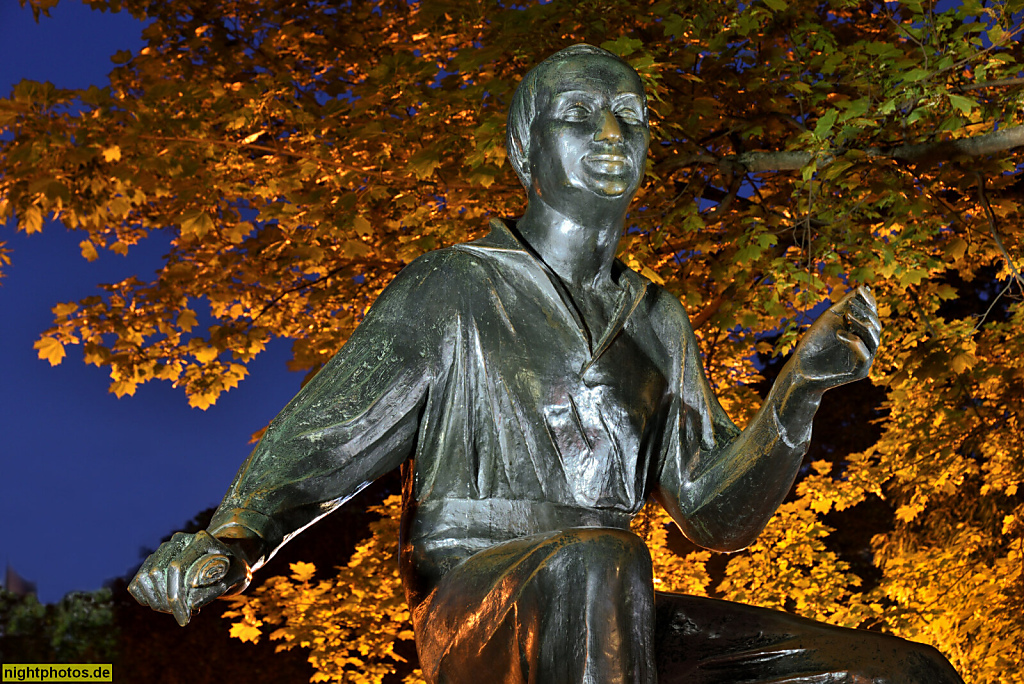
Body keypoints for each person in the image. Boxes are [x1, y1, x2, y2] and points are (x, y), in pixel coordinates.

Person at [130, 44, 964, 683]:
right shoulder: (452, 286)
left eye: (631, 118)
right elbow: (322, 438)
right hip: (475, 597)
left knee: (903, 672)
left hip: (614, 604)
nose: (612, 135)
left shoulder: (658, 315)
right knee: (598, 562)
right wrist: (230, 540)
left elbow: (714, 517)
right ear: (525, 149)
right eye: (580, 114)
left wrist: (798, 392)